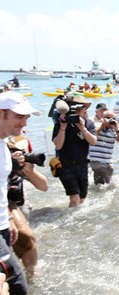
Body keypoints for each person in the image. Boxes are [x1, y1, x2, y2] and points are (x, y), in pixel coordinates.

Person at [0, 91, 41, 294]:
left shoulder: (4, 146)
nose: (24, 123)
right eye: (18, 116)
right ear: (1, 113)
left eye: (26, 118)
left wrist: (7, 217)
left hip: (4, 226)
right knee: (16, 286)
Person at [7, 134, 48, 277]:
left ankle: (32, 276)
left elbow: (43, 186)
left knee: (27, 239)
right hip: (7, 208)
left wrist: (29, 171)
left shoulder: (14, 151)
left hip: (15, 203)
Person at [52, 95, 97, 207]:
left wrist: (83, 128)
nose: (78, 111)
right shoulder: (61, 123)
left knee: (82, 197)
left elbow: (93, 142)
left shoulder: (88, 123)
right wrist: (63, 128)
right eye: (74, 108)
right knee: (75, 198)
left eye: (80, 108)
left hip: (82, 165)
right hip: (65, 165)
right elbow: (58, 145)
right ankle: (67, 222)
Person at [88, 110, 119, 185]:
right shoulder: (96, 126)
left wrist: (117, 129)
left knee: (106, 184)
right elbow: (92, 136)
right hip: (96, 160)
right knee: (103, 182)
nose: (111, 120)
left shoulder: (113, 130)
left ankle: (96, 193)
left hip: (108, 162)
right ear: (102, 118)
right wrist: (102, 126)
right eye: (108, 118)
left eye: (113, 118)